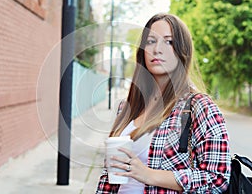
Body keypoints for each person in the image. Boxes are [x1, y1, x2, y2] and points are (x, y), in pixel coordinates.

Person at [96, 13, 231, 193]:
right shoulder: (128, 107)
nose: (157, 49)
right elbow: (108, 176)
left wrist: (149, 175)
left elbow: (217, 179)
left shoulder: (199, 106)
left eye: (169, 42)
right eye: (151, 41)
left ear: (182, 52)